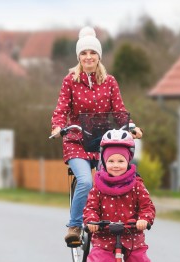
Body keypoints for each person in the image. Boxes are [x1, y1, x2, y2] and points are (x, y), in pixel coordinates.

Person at [51, 26, 143, 247]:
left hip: (101, 142)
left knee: (108, 181)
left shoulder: (109, 81)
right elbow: (61, 109)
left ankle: (107, 224)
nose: (88, 57)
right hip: (76, 141)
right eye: (84, 53)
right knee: (84, 181)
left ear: (98, 56)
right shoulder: (70, 81)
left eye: (92, 53)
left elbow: (119, 111)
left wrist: (131, 126)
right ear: (79, 57)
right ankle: (74, 226)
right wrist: (57, 127)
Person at [81, 129, 156, 262]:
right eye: (111, 161)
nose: (116, 165)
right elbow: (90, 208)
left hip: (131, 235)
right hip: (105, 236)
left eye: (121, 161)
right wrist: (91, 222)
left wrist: (144, 220)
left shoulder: (137, 184)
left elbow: (147, 206)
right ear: (104, 162)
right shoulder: (98, 186)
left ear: (129, 161)